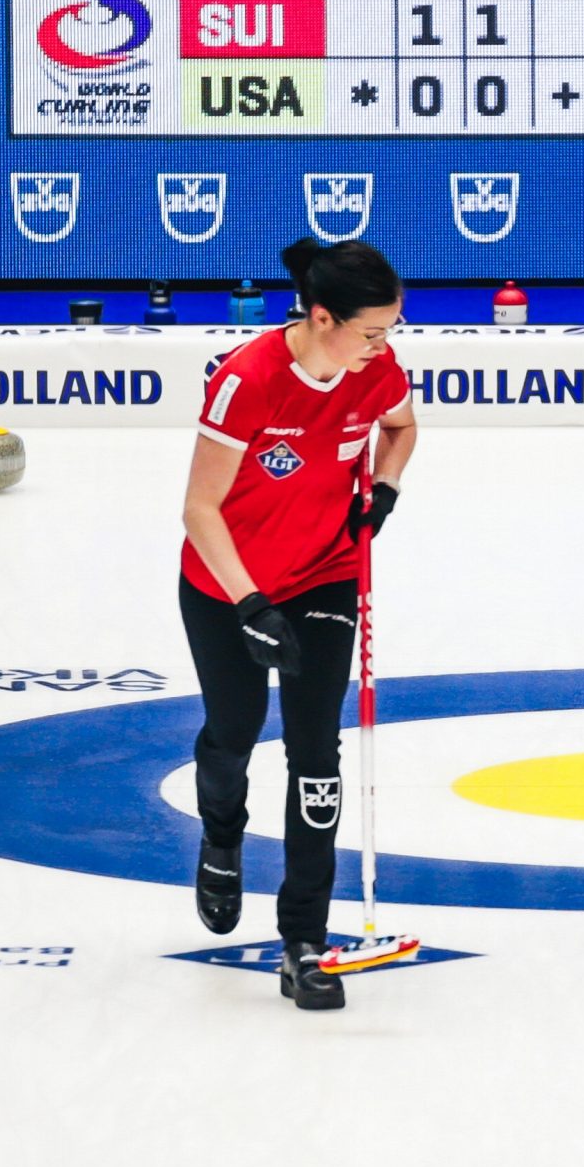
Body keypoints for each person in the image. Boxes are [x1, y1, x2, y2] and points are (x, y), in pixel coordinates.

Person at [180, 237, 416, 1012]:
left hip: (324, 575)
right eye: (373, 331)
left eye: (391, 331)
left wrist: (383, 490)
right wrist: (249, 604)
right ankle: (222, 837)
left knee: (317, 754)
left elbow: (401, 427)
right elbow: (200, 510)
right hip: (225, 587)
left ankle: (303, 941)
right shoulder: (248, 382)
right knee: (236, 730)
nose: (385, 348)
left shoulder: (374, 371)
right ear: (322, 317)